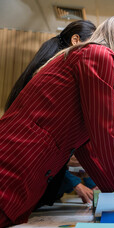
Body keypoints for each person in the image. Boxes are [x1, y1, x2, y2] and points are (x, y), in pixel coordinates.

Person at [0, 16, 114, 228]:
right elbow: (104, 136)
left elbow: (88, 148)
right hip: (16, 162)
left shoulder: (86, 55)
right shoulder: (99, 55)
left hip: (26, 166)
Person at [4, 20, 98, 206]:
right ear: (75, 40)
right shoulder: (59, 78)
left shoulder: (53, 69)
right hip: (20, 172)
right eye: (94, 47)